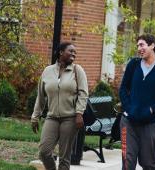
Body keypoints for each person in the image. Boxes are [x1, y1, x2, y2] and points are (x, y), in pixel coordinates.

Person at [119, 34, 155, 170]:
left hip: (150, 124)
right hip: (128, 122)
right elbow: (123, 88)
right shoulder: (133, 65)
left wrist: (152, 109)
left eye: (142, 45)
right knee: (127, 163)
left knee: (148, 163)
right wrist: (128, 108)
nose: (139, 48)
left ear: (152, 46)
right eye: (138, 45)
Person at [31, 42, 88, 170]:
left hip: (70, 118)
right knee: (44, 152)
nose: (73, 54)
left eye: (75, 52)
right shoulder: (47, 71)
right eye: (70, 51)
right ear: (61, 52)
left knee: (64, 158)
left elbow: (83, 93)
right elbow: (40, 96)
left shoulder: (77, 70)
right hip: (52, 118)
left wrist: (79, 113)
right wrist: (35, 117)